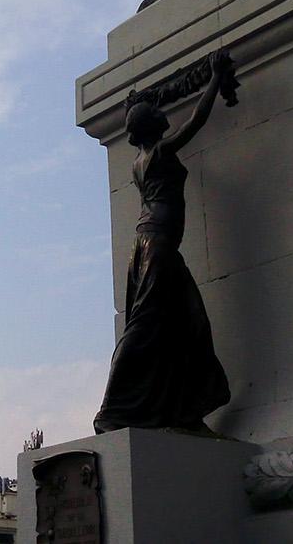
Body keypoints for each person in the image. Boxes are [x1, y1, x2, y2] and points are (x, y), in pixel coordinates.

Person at [93, 51, 235, 435]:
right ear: (150, 126)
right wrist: (214, 79)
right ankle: (112, 409)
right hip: (157, 248)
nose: (161, 113)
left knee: (187, 324)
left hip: (153, 247)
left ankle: (184, 412)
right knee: (145, 327)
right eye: (155, 113)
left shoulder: (141, 161)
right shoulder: (157, 153)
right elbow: (197, 121)